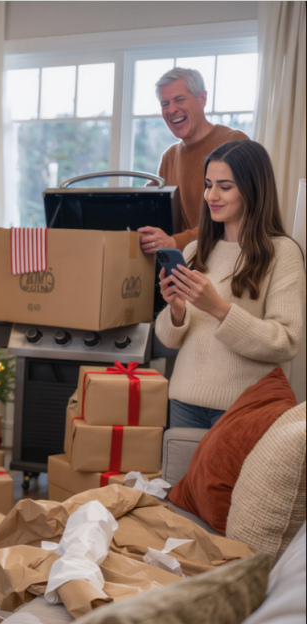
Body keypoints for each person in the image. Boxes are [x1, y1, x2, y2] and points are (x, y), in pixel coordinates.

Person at [155, 140, 305, 429]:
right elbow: (170, 340)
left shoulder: (282, 252)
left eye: (225, 187)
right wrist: (176, 311)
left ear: (253, 189)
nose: (211, 195)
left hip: (244, 408)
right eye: (208, 184)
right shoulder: (194, 251)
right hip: (183, 402)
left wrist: (219, 309)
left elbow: (286, 342)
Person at [138, 67, 249, 255]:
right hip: (187, 265)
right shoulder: (169, 157)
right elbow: (150, 208)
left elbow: (239, 215)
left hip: (229, 261)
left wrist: (176, 242)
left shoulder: (234, 143)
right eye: (164, 103)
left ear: (202, 99)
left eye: (180, 99)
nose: (171, 109)